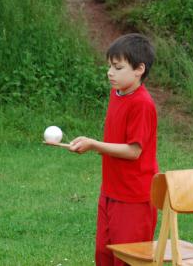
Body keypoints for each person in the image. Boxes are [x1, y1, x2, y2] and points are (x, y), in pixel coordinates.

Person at [58, 33, 158, 266]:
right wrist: (91, 144)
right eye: (109, 66)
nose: (110, 73)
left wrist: (94, 145)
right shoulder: (117, 93)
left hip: (134, 198)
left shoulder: (142, 104)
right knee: (104, 256)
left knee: (126, 259)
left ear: (139, 69)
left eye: (118, 67)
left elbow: (134, 151)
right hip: (111, 192)